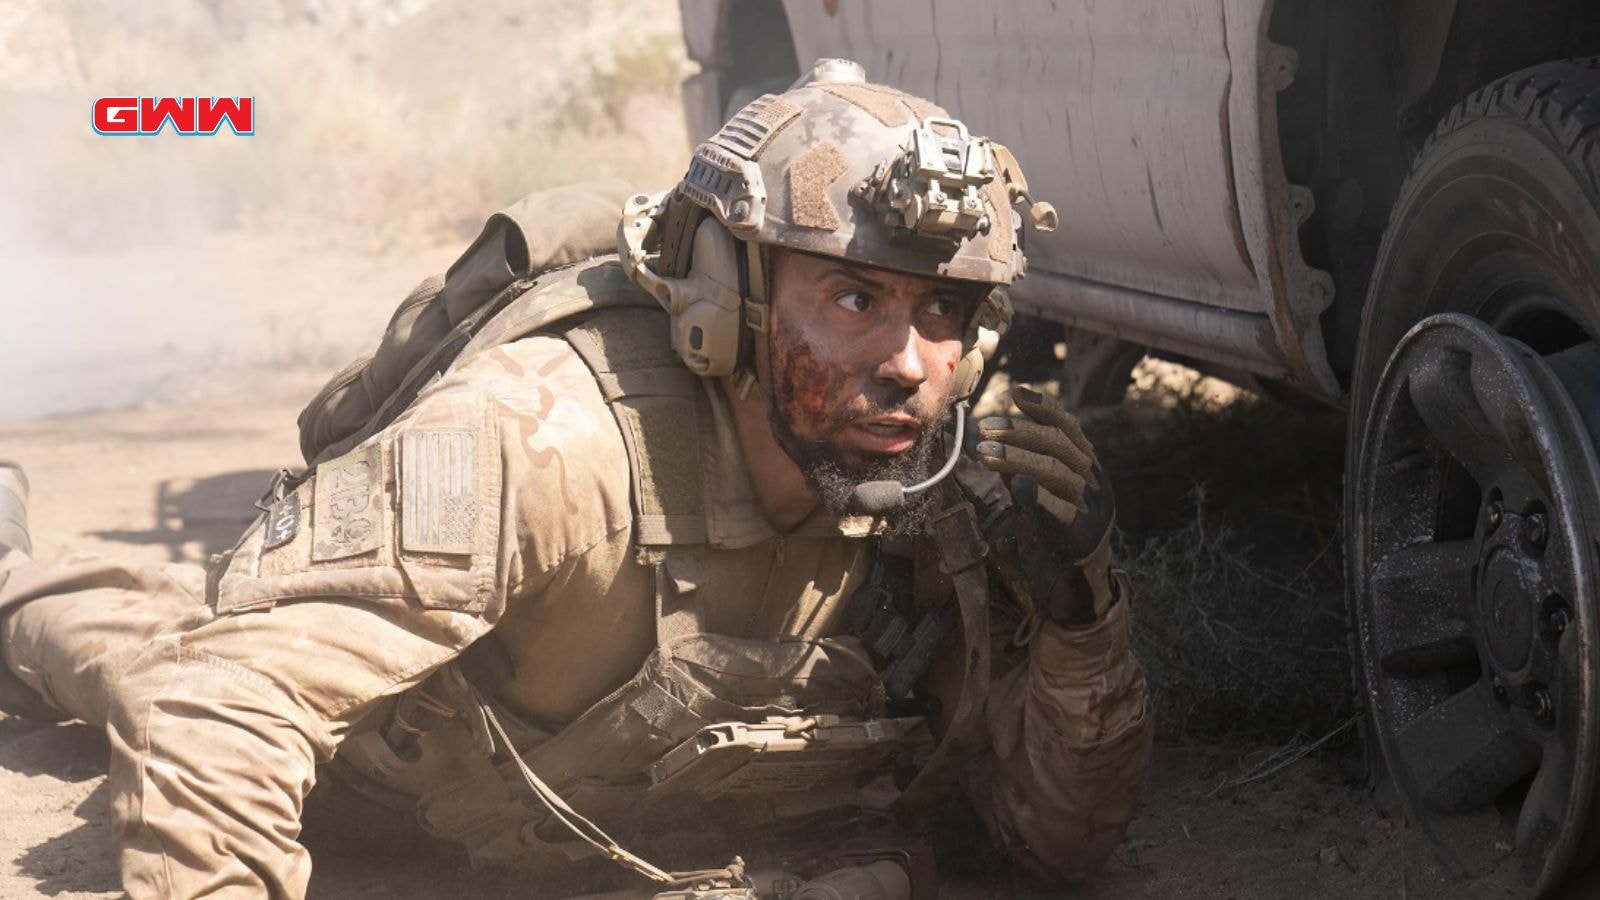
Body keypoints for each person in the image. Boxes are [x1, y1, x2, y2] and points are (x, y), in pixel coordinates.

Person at [0, 59, 1151, 899]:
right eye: (854, 299)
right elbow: (222, 705)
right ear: (723, 301)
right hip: (388, 797)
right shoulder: (541, 439)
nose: (908, 363)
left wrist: (1079, 619)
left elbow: (1049, 846)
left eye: (943, 312)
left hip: (619, 833)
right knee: (153, 657)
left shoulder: (948, 486)